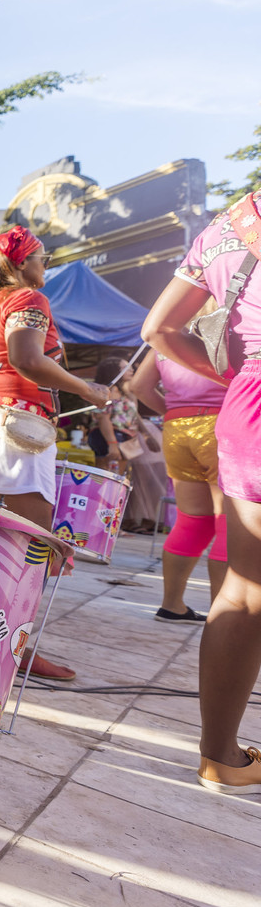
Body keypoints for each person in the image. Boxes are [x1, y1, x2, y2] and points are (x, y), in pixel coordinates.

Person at [0, 225, 108, 683]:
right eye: (43, 258)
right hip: (14, 430)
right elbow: (28, 360)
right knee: (32, 545)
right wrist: (86, 387)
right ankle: (16, 646)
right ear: (21, 262)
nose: (46, 266)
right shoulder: (27, 299)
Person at [143, 189, 261, 793]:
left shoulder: (231, 224)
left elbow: (156, 333)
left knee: (242, 585)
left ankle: (219, 753)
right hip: (216, 418)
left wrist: (238, 376)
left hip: (235, 413)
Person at [128, 350, 226, 622]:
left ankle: (172, 605)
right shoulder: (236, 326)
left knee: (193, 520)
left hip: (177, 428)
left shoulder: (166, 332)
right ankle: (225, 619)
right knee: (230, 523)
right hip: (223, 425)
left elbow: (138, 386)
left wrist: (174, 411)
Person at [91, 355, 166, 533]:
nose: (131, 370)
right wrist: (113, 444)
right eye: (126, 367)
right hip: (110, 437)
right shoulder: (106, 390)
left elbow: (135, 416)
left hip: (123, 437)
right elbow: (103, 418)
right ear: (114, 371)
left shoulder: (125, 391)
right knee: (109, 481)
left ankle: (109, 525)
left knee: (116, 481)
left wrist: (147, 436)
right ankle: (103, 526)